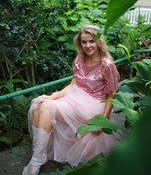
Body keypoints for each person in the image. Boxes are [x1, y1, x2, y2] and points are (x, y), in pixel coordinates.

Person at [22, 24, 124, 175]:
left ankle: (37, 159)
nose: (88, 45)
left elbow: (111, 95)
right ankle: (39, 155)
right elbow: (73, 85)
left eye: (91, 41)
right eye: (84, 42)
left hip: (93, 104)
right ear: (79, 43)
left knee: (47, 108)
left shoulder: (106, 64)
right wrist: (51, 96)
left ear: (98, 42)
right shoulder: (79, 59)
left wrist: (104, 119)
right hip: (74, 97)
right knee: (39, 104)